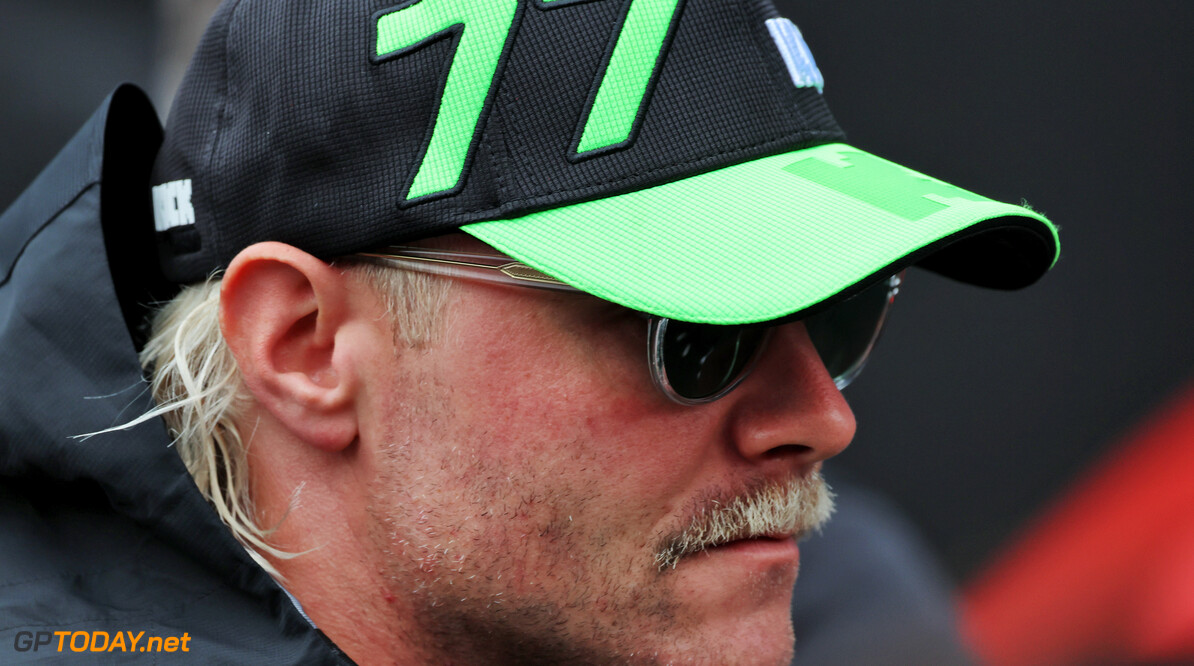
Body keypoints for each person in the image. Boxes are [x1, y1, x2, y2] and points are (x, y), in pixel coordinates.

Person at [0, 0, 1058, 663]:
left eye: (840, 313)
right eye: (692, 330)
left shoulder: (852, 610)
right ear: (305, 347)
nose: (822, 419)